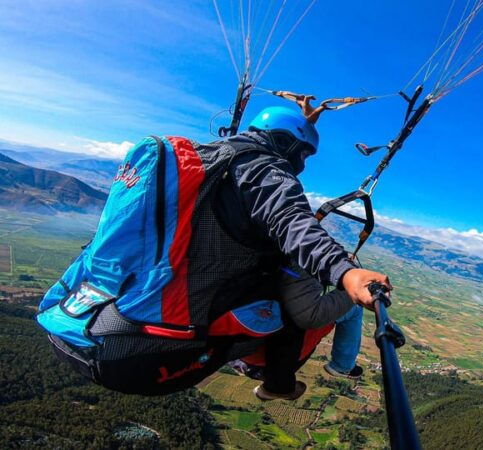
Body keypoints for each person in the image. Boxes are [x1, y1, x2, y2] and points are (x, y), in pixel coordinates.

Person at [37, 101, 391, 399]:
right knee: (291, 302)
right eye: (302, 154)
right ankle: (277, 382)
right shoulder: (266, 170)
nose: (302, 164)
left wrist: (298, 121)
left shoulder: (207, 160)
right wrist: (344, 271)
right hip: (140, 352)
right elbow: (291, 222)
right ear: (286, 145)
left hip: (81, 321)